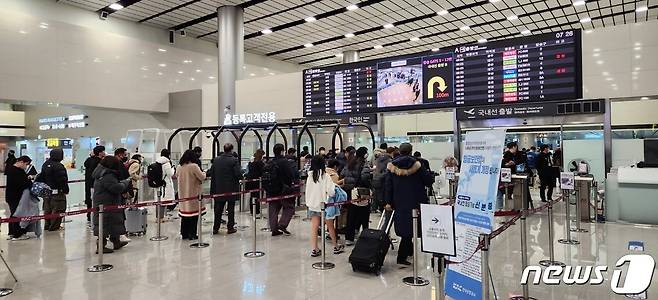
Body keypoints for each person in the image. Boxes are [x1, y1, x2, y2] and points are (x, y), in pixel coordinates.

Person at [384, 143, 434, 265]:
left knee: (405, 227)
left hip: (399, 201)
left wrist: (388, 201)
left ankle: (409, 251)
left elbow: (388, 185)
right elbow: (428, 181)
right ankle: (401, 257)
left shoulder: (392, 166)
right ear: (411, 151)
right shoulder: (417, 165)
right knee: (412, 227)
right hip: (416, 201)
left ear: (399, 151)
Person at [305, 155, 344, 257]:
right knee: (330, 226)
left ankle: (315, 249)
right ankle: (336, 246)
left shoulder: (310, 176)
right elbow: (331, 192)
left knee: (314, 227)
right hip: (324, 205)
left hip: (313, 205)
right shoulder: (325, 176)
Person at [92, 156, 131, 254]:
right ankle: (101, 246)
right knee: (104, 225)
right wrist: (125, 183)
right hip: (105, 203)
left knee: (114, 223)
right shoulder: (107, 175)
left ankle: (116, 242)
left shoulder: (103, 172)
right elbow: (116, 188)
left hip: (108, 201)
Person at [341, 146, 372, 246]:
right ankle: (365, 235)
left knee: (351, 215)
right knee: (364, 215)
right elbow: (365, 177)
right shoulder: (364, 164)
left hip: (351, 192)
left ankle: (349, 238)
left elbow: (343, 174)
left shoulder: (350, 163)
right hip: (362, 192)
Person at [208, 143, 242, 235]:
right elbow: (238, 174)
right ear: (231, 149)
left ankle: (216, 228)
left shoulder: (216, 160)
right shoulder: (234, 160)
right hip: (231, 189)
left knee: (218, 209)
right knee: (231, 209)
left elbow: (211, 172)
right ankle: (230, 227)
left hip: (218, 188)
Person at [176, 150, 207, 240]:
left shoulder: (179, 167)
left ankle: (184, 233)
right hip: (193, 194)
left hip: (183, 195)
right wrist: (204, 172)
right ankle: (192, 234)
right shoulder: (194, 166)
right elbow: (202, 177)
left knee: (185, 216)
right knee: (194, 216)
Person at [267, 144, 295, 236]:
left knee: (273, 209)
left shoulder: (270, 162)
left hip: (271, 189)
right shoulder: (284, 162)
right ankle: (282, 224)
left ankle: (274, 229)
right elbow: (290, 174)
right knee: (289, 207)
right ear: (282, 151)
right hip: (283, 189)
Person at [39, 148, 69, 231]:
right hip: (57, 192)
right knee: (58, 208)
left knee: (47, 209)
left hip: (46, 191)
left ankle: (47, 225)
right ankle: (54, 227)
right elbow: (62, 180)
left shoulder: (45, 164)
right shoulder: (59, 165)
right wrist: (65, 190)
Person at [5, 156, 32, 240]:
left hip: (11, 196)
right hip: (16, 196)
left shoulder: (11, 169)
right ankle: (17, 234)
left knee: (13, 214)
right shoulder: (16, 171)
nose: (26, 167)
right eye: (26, 164)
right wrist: (29, 180)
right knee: (18, 214)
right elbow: (23, 184)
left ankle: (12, 232)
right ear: (21, 162)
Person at [84, 146, 106, 222]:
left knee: (89, 200)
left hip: (88, 184)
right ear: (100, 153)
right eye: (103, 151)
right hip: (96, 184)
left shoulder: (89, 160)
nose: (104, 153)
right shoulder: (100, 162)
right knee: (97, 201)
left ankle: (89, 216)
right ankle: (96, 217)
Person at [372, 147, 394, 212]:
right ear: (392, 152)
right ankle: (382, 209)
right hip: (384, 179)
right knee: (383, 194)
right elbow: (388, 170)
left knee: (377, 195)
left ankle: (377, 208)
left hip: (376, 178)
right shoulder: (389, 160)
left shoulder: (378, 158)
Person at [156, 149, 176, 216]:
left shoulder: (157, 161)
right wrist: (173, 169)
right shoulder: (166, 163)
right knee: (164, 201)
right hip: (165, 183)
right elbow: (170, 174)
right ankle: (161, 217)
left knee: (160, 200)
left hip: (159, 182)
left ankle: (159, 217)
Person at [246, 149, 265, 216]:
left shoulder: (251, 162)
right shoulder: (260, 163)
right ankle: (257, 210)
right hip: (258, 182)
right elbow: (263, 171)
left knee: (252, 196)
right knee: (258, 196)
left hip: (251, 182)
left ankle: (252, 210)